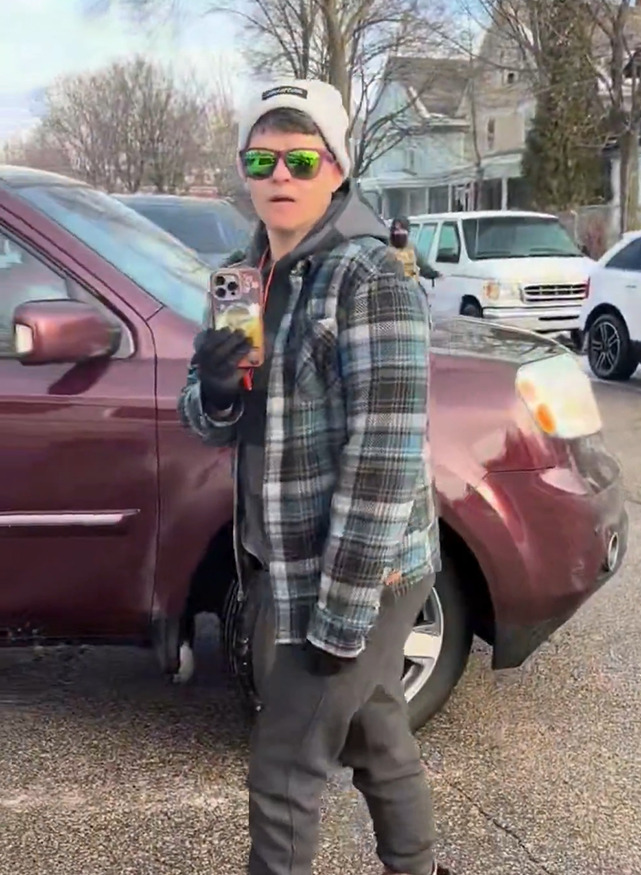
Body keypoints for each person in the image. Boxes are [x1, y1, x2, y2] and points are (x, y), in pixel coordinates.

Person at [178, 79, 448, 875]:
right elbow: (204, 421)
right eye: (264, 158)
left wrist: (341, 616)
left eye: (302, 158)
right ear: (244, 168)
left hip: (364, 569)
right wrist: (219, 387)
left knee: (284, 770)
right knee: (376, 734)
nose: (281, 175)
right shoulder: (241, 277)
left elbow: (386, 457)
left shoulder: (372, 279)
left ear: (336, 168)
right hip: (281, 559)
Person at [388, 215, 441, 283]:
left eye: (402, 231)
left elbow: (422, 265)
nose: (399, 234)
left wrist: (433, 273)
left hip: (410, 287)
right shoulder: (385, 248)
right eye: (397, 231)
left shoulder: (411, 247)